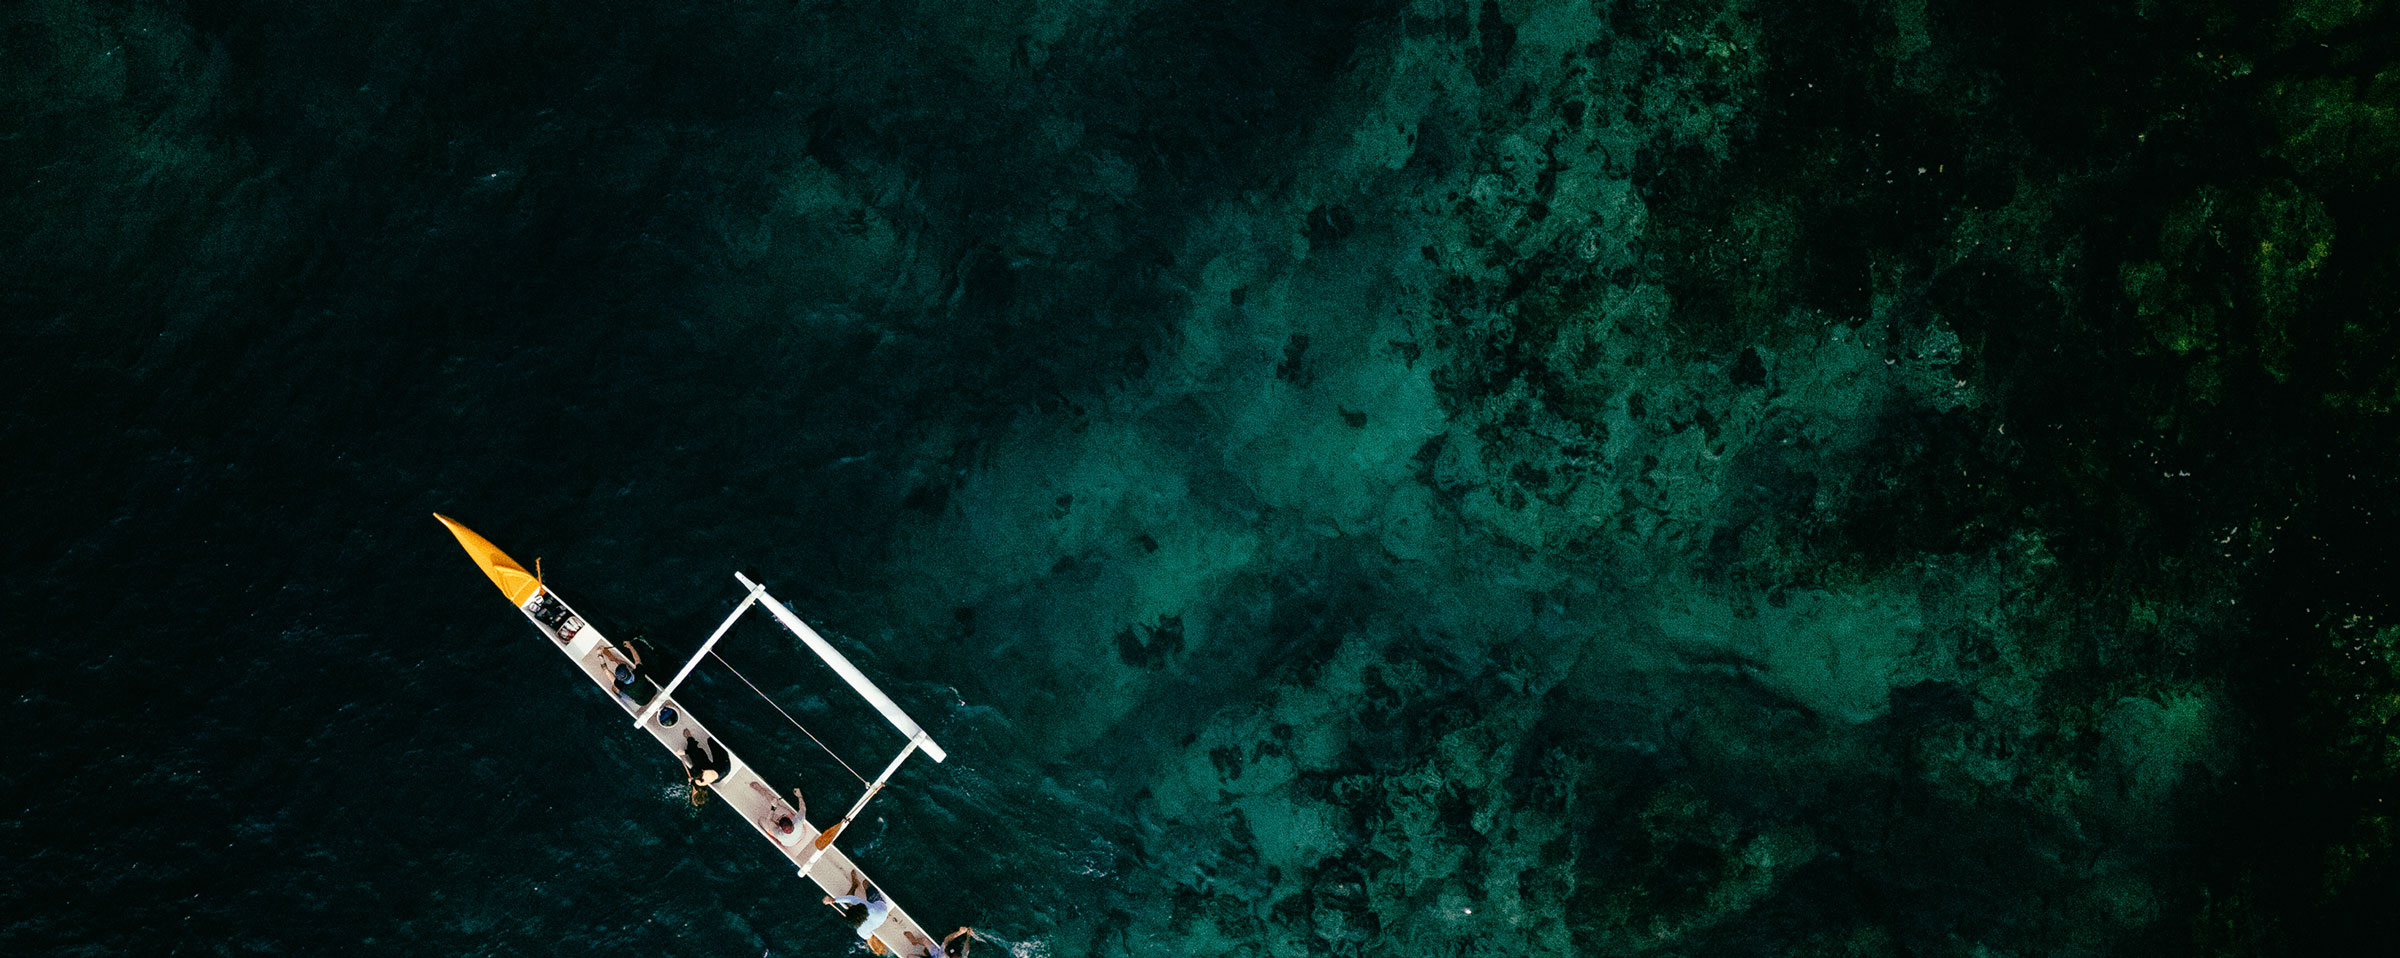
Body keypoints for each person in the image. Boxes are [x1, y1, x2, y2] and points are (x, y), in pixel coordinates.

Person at [824, 870, 891, 943]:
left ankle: (854, 885)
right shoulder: (864, 905)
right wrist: (833, 900)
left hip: (882, 916)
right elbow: (850, 898)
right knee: (865, 883)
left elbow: (869, 936)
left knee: (849, 904)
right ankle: (855, 885)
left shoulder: (861, 931)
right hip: (881, 905)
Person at [905, 927, 975, 958]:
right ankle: (914, 941)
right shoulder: (964, 956)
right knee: (924, 940)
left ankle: (916, 943)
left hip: (937, 956)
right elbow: (947, 939)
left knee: (910, 956)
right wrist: (967, 935)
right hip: (941, 952)